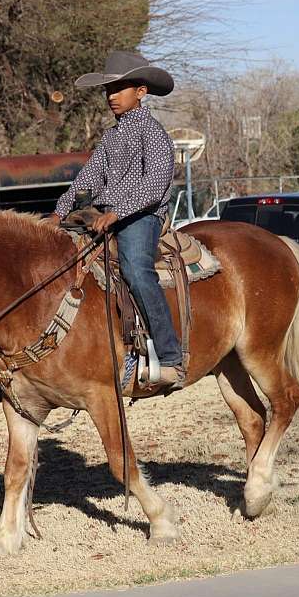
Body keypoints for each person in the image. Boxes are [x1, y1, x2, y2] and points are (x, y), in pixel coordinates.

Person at [45, 51, 184, 388]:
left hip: (143, 215)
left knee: (136, 270)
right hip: (104, 216)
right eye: (108, 90)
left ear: (141, 92)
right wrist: (59, 211)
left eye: (119, 89)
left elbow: (154, 183)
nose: (111, 97)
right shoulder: (110, 137)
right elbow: (88, 179)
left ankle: (170, 357)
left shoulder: (151, 133)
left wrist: (116, 212)